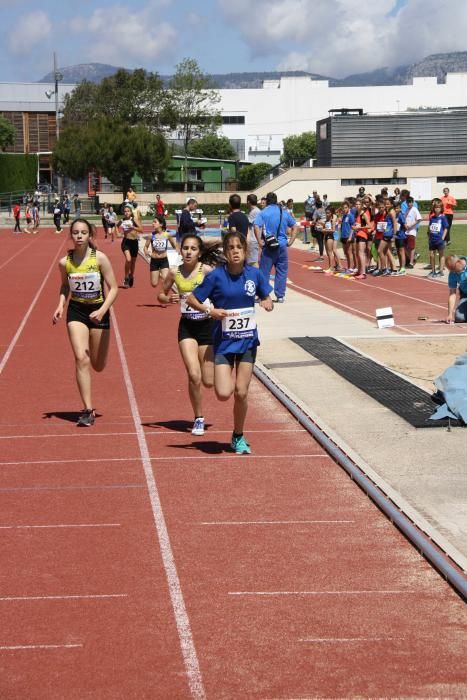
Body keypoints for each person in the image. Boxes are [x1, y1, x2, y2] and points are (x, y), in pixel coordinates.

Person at [185, 232, 274, 454]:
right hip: (223, 343)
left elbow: (267, 297)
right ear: (225, 252)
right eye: (231, 247)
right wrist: (210, 310)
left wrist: (266, 301)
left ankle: (238, 435)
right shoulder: (216, 276)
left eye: (239, 247)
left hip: (247, 341)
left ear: (245, 251)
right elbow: (192, 298)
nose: (235, 251)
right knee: (224, 393)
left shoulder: (255, 275)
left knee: (241, 393)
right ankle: (236, 430)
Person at [52, 218, 118, 427]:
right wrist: (61, 305)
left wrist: (102, 310)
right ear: (71, 235)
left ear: (90, 235)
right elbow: (64, 287)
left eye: (83, 233)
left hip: (99, 311)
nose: (79, 236)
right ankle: (88, 410)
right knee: (81, 358)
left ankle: (90, 404)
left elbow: (114, 287)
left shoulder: (100, 259)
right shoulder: (65, 262)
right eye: (75, 233)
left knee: (98, 365)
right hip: (77, 311)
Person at [158, 234, 218, 436]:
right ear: (180, 250)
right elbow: (160, 294)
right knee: (194, 374)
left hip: (207, 327)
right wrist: (168, 298)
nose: (189, 252)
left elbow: (220, 295)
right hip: (187, 328)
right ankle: (198, 418)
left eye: (193, 248)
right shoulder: (174, 272)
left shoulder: (208, 271)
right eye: (185, 248)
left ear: (199, 253)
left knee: (208, 381)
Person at [254, 191, 298, 303]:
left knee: (264, 271)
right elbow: (294, 226)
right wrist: (291, 241)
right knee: (282, 271)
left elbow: (256, 226)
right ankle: (280, 295)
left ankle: (263, 295)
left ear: (267, 201)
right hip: (282, 245)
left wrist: (259, 241)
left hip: (269, 245)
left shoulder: (263, 213)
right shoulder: (284, 212)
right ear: (276, 200)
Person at [143, 215, 177, 296]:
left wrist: (181, 249)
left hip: (164, 260)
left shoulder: (167, 235)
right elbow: (145, 246)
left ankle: (163, 295)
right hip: (154, 261)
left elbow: (174, 245)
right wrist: (146, 251)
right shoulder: (151, 235)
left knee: (165, 279)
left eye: (155, 222)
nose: (152, 224)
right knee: (154, 284)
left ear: (161, 224)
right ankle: (158, 274)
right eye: (153, 222)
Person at [118, 204, 144, 288]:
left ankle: (131, 275)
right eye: (125, 211)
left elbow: (141, 230)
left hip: (134, 243)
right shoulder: (122, 220)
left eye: (128, 211)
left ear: (130, 212)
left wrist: (132, 227)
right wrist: (117, 233)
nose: (126, 213)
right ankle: (126, 277)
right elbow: (116, 226)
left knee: (133, 262)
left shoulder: (134, 219)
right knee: (128, 259)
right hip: (126, 242)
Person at [426, 200, 448, 278]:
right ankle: (433, 271)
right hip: (432, 239)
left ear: (441, 208)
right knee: (432, 255)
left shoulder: (443, 217)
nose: (437, 209)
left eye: (438, 207)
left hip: (439, 240)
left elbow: (446, 228)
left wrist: (442, 238)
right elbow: (430, 227)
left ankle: (441, 270)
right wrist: (428, 235)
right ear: (433, 208)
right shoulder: (432, 217)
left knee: (441, 255)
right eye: (435, 207)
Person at [446, 255, 467, 323]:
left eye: (453, 268)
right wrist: (450, 314)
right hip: (465, 294)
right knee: (459, 318)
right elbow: (452, 294)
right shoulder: (452, 273)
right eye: (451, 270)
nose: (453, 271)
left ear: (459, 262)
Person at [404, 196, 422, 268]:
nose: (409, 204)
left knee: (411, 247)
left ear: (413, 202)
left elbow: (419, 219)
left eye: (410, 202)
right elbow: (405, 219)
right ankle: (413, 258)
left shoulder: (414, 209)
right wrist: (405, 225)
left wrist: (411, 225)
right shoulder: (407, 210)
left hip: (412, 231)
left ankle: (411, 262)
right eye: (408, 202)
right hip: (406, 231)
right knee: (405, 247)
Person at [246, 193, 262, 267]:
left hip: (253, 239)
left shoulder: (255, 212)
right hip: (254, 239)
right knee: (251, 261)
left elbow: (248, 224)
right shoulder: (256, 211)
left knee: (252, 262)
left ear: (249, 202)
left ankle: (256, 277)